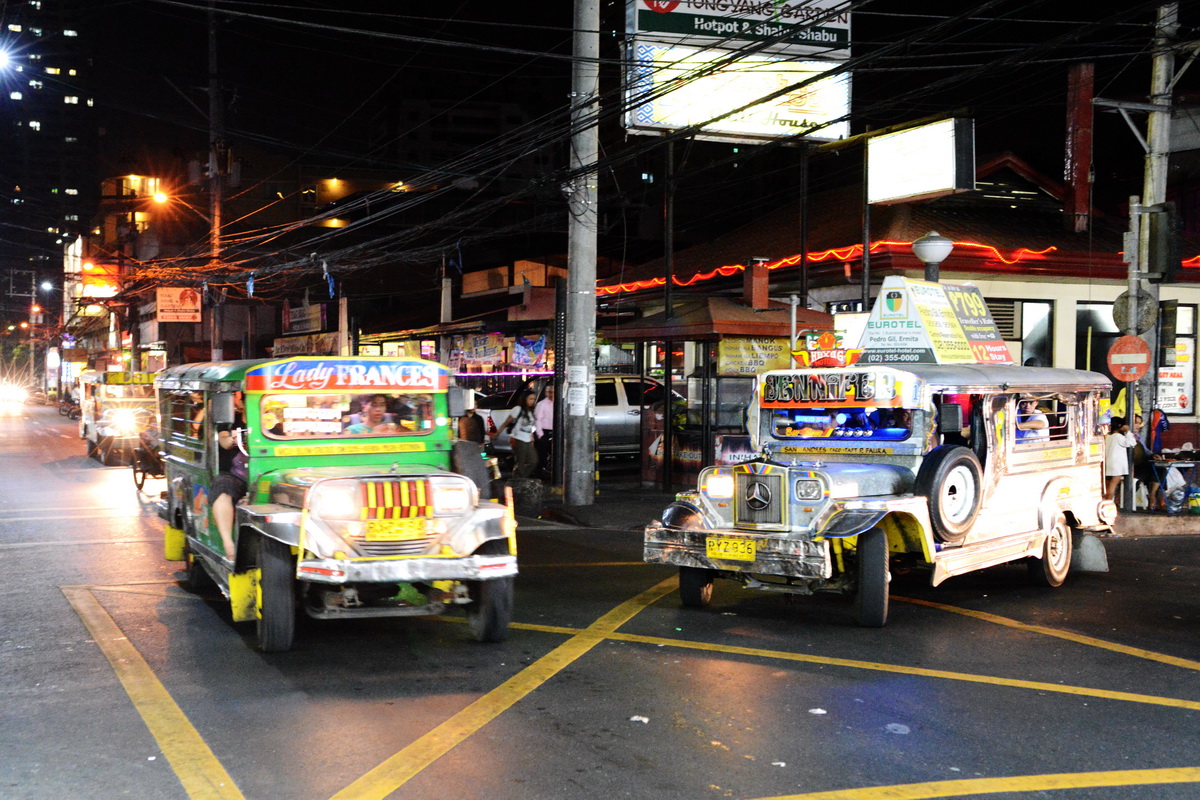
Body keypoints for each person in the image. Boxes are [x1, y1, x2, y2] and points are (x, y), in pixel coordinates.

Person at [211, 392, 247, 560]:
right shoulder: (230, 421)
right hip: (236, 474)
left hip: (269, 473)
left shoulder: (273, 424)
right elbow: (224, 440)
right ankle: (228, 544)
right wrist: (233, 439)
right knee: (222, 489)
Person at [495, 390, 539, 479]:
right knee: (521, 461)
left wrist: (532, 436)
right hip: (518, 437)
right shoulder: (518, 409)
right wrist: (497, 433)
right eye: (530, 399)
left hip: (527, 438)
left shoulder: (531, 411)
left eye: (534, 399)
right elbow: (507, 422)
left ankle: (520, 478)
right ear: (524, 399)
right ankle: (518, 480)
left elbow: (531, 427)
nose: (532, 401)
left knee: (533, 460)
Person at [1132, 413, 1164, 511]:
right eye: (1135, 423)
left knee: (1160, 469)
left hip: (1142, 465)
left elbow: (1146, 451)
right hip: (1133, 468)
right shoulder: (1127, 438)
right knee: (1156, 469)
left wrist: (1153, 455)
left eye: (1139, 423)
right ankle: (1154, 497)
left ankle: (1153, 494)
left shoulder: (1138, 437)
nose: (1138, 426)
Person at [1104, 416, 1137, 501]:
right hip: (1117, 465)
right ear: (1120, 426)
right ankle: (1109, 501)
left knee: (1109, 484)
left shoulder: (1108, 436)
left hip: (1109, 463)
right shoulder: (1118, 436)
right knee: (1113, 484)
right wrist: (1128, 432)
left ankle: (1108, 500)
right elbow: (1132, 442)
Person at [534, 384, 555, 479]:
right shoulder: (541, 404)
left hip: (555, 431)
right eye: (550, 392)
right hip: (544, 432)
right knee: (541, 455)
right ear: (546, 393)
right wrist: (540, 434)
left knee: (555, 454)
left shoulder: (559, 403)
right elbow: (537, 419)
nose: (552, 394)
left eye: (554, 392)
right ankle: (539, 475)